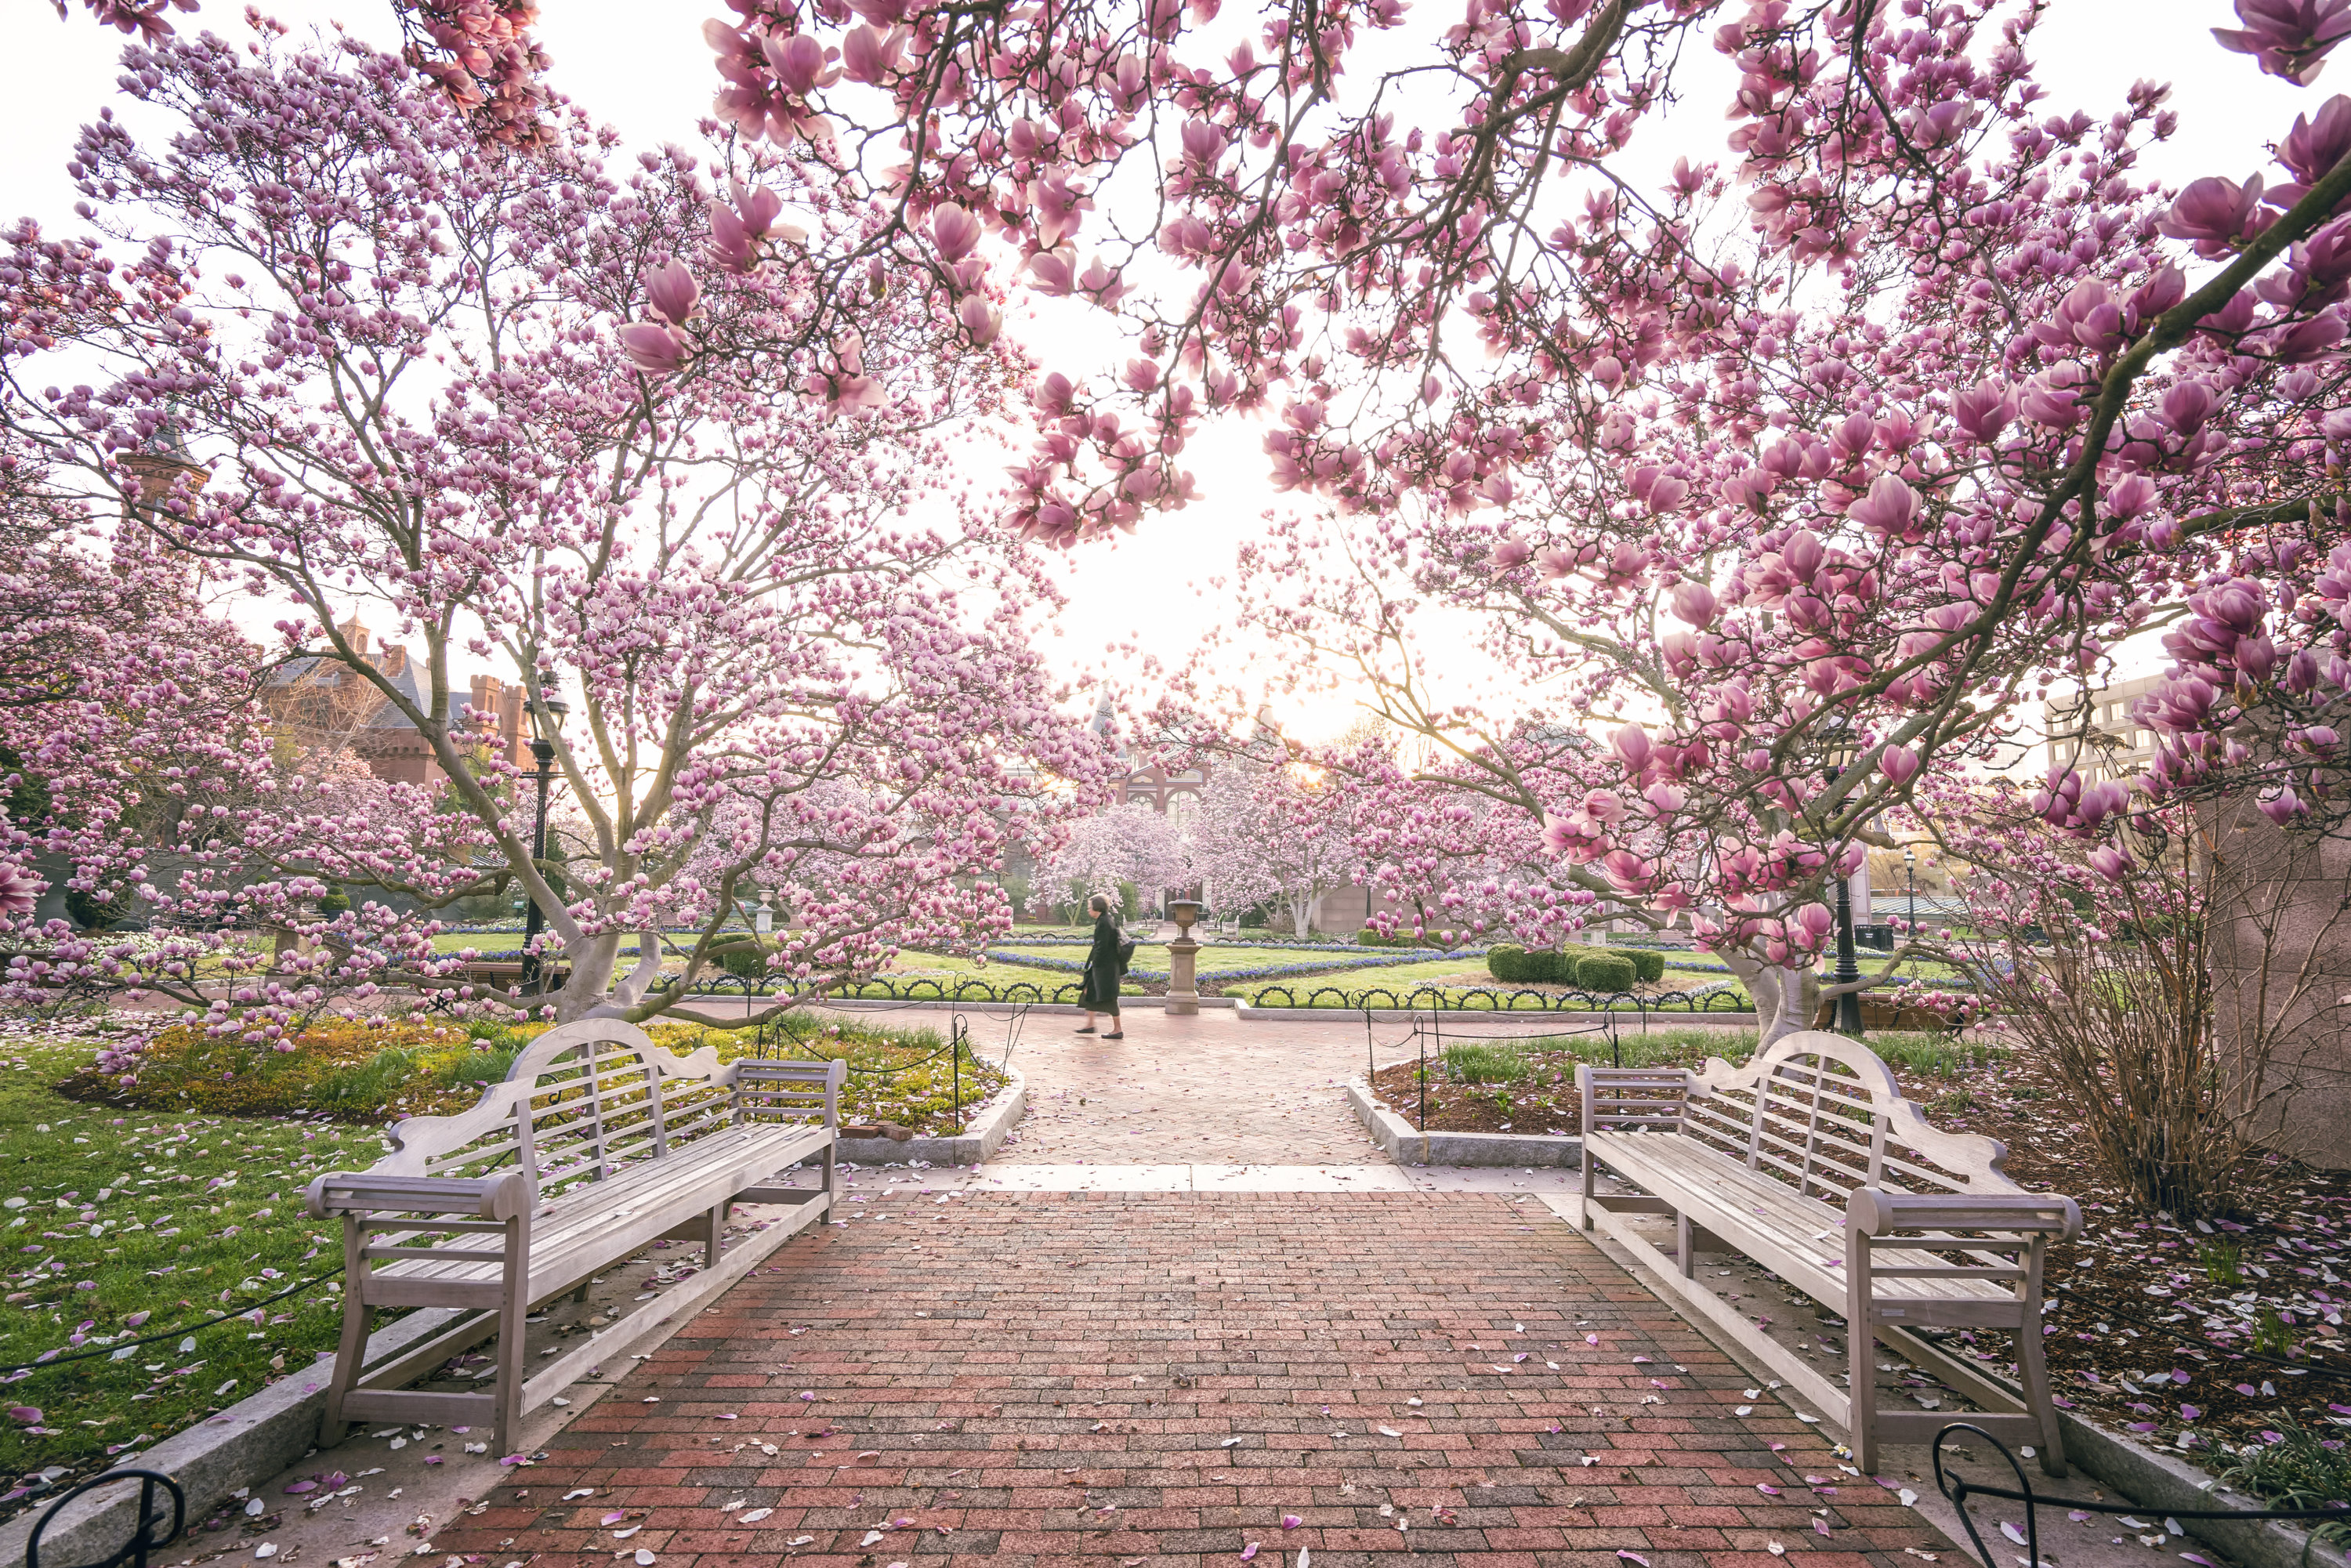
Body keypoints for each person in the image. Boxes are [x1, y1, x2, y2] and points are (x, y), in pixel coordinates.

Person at [1077, 893, 1125, 1038]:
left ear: (1097, 908)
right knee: (1090, 990)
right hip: (1103, 965)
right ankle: (1090, 1024)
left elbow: (1102, 947)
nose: (1088, 910)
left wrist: (1095, 965)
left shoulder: (1104, 922)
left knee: (1109, 997)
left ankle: (1118, 1030)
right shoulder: (1105, 920)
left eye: (1090, 907)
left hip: (1105, 967)